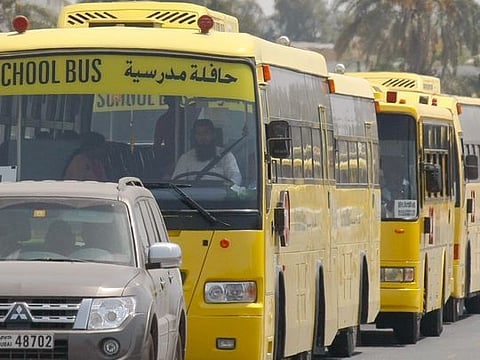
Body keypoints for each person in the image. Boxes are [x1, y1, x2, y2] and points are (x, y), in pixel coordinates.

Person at [172, 118, 242, 185]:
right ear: (194, 136)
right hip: (192, 196)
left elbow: (235, 178)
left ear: (213, 134)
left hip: (220, 195)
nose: (202, 137)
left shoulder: (226, 156)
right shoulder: (185, 158)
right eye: (198, 134)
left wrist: (229, 186)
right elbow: (178, 183)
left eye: (206, 133)